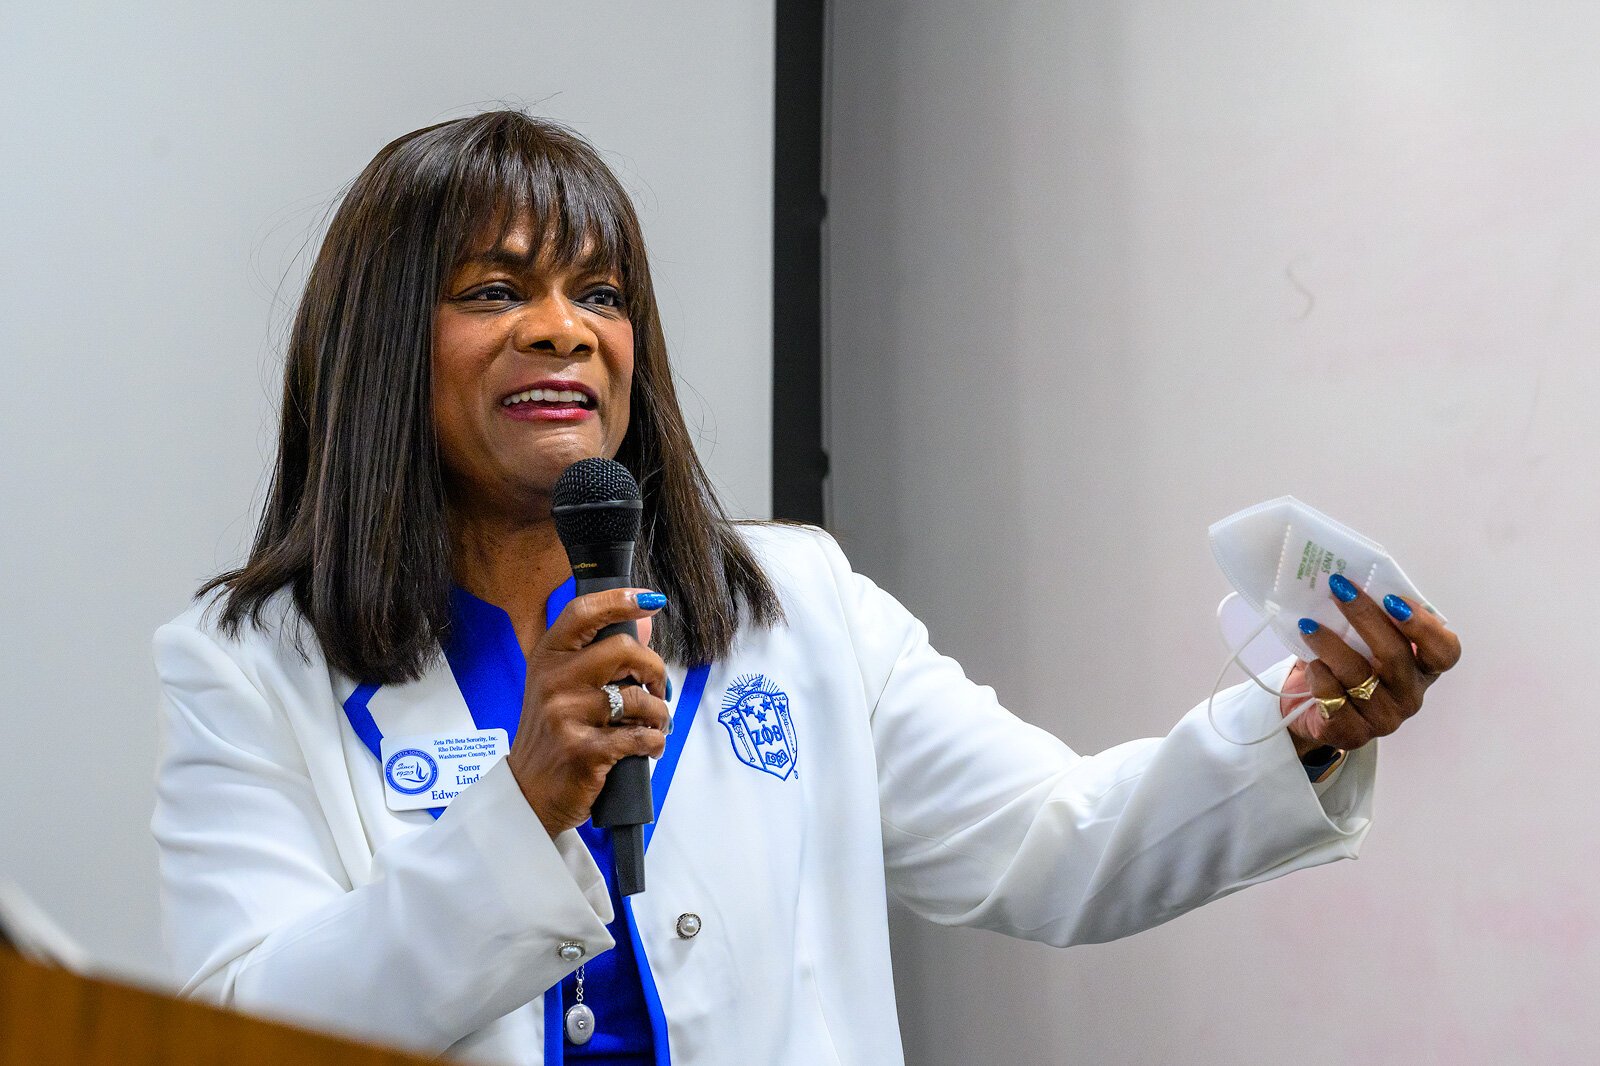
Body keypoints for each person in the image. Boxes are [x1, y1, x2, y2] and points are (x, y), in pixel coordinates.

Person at [151, 110, 1461, 1066]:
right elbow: (244, 1031)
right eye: (496, 290)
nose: (564, 328)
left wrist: (1286, 732)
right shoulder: (249, 664)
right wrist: (518, 809)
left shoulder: (800, 605)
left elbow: (1059, 841)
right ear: (385, 348)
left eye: (598, 292)